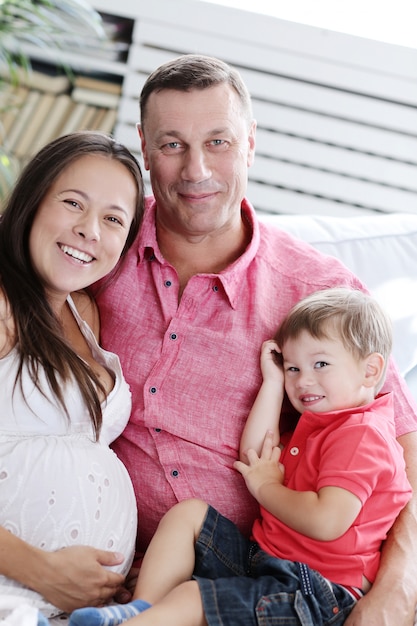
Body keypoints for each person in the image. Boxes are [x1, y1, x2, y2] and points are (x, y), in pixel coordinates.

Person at [93, 54, 417, 625]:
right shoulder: (97, 240)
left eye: (218, 141)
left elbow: (406, 455)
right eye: (172, 145)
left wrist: (397, 589)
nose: (196, 171)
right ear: (143, 147)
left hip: (263, 583)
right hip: (98, 558)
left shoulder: (322, 295)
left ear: (250, 141)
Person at [69, 287, 412, 626]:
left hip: (319, 595)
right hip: (269, 563)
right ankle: (142, 610)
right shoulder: (323, 423)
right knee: (189, 514)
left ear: (370, 371)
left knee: (192, 597)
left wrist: (267, 488)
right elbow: (254, 454)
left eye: (320, 364)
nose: (304, 380)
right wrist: (274, 383)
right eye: (294, 368)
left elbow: (326, 522)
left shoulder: (361, 435)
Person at [0, 130, 144, 623]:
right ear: (33, 200)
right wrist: (40, 569)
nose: (90, 231)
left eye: (112, 219)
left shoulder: (83, 312)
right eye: (72, 203)